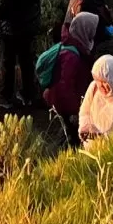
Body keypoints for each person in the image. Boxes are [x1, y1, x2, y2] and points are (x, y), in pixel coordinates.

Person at [37, 11, 99, 144]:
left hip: (67, 103)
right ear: (84, 30)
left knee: (69, 135)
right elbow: (64, 87)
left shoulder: (75, 44)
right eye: (92, 29)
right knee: (67, 138)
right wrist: (76, 109)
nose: (94, 33)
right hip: (65, 105)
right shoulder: (71, 56)